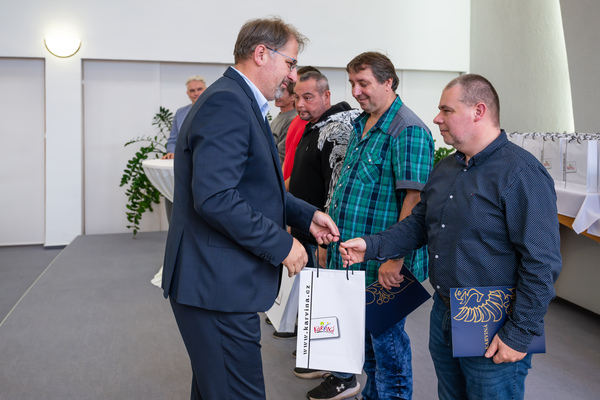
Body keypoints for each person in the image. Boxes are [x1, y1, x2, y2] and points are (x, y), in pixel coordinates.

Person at [339, 74, 562, 400]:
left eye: (447, 110)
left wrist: (519, 333)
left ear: (478, 111)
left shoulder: (521, 173)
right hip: (445, 310)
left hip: (494, 319)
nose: (436, 118)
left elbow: (542, 262)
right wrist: (371, 246)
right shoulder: (446, 169)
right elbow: (419, 224)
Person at [161, 17, 340, 400]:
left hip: (216, 283)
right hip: (215, 286)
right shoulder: (228, 102)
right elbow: (215, 197)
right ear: (261, 53)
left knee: (216, 390)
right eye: (290, 62)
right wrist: (282, 244)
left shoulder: (237, 99)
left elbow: (254, 186)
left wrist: (305, 215)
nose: (292, 76)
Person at [307, 52, 434, 400]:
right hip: (352, 257)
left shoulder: (408, 129)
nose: (356, 91)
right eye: (352, 83)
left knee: (387, 349)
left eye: (363, 83)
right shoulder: (362, 123)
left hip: (385, 264)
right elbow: (345, 189)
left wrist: (395, 258)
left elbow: (415, 201)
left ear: (388, 81)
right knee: (363, 345)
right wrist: (328, 242)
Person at [281, 66, 321, 189]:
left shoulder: (315, 125)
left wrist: (282, 190)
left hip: (295, 192)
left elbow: (303, 170)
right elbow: (287, 157)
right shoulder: (296, 120)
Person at [162, 76, 207, 160]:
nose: (196, 93)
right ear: (187, 93)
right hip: (184, 160)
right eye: (192, 90)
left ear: (206, 90)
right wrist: (171, 152)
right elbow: (173, 140)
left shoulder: (216, 111)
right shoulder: (180, 113)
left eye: (199, 89)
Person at [270, 81, 297, 165]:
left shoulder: (292, 120)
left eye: (282, 92)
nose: (277, 95)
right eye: (277, 91)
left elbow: (282, 155)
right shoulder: (279, 117)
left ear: (293, 97)